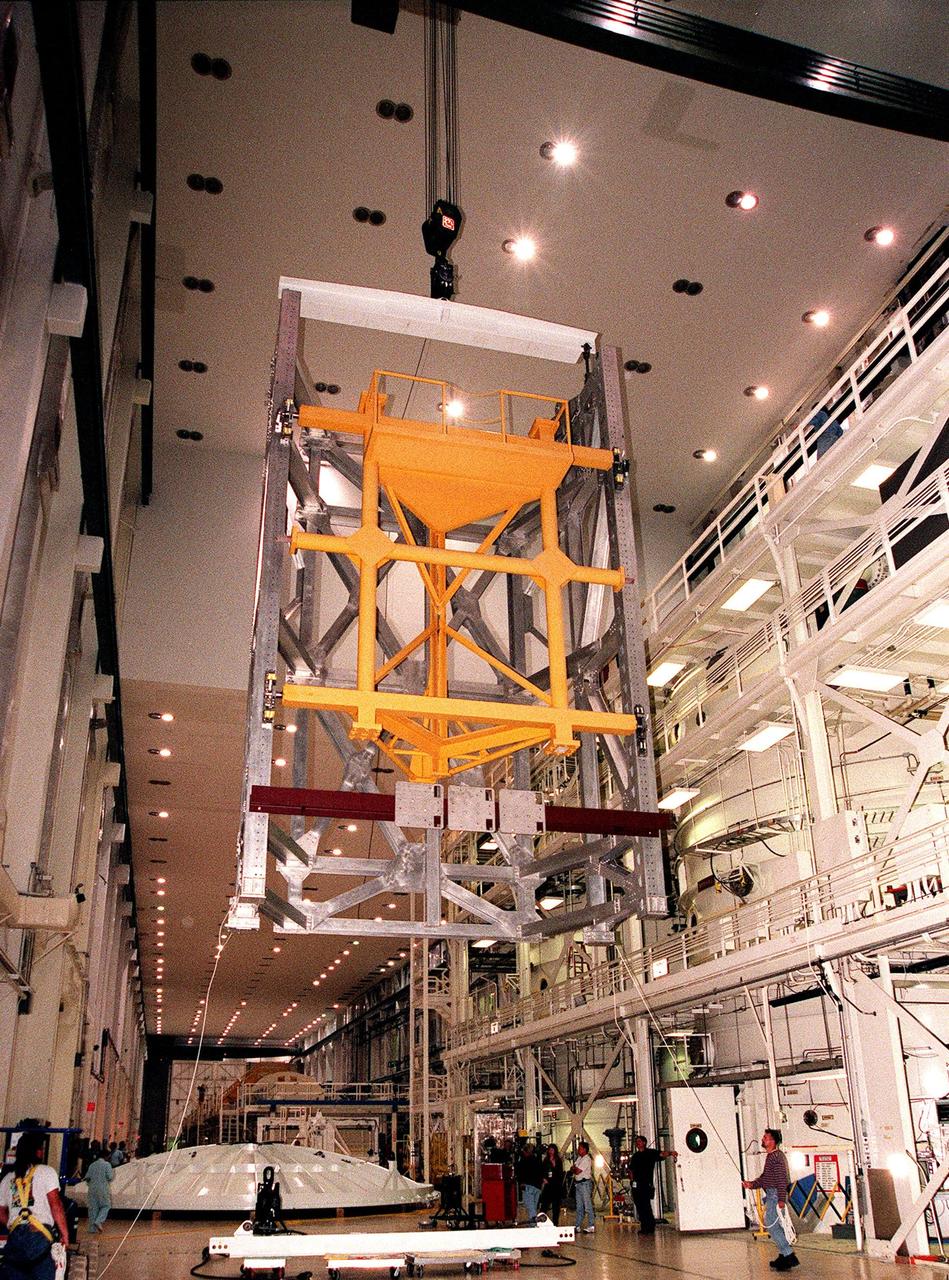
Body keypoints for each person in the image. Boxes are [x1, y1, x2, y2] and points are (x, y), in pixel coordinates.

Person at [0, 1130, 69, 1280]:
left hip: (15, 1239)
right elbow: (55, 1205)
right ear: (38, 1152)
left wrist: (14, 1225)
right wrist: (64, 1234)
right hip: (39, 1237)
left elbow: (1, 1212)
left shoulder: (8, 1178)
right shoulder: (47, 1172)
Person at [742, 1129, 798, 1271]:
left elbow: (781, 1179)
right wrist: (752, 1184)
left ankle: (788, 1254)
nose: (763, 1139)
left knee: (771, 1224)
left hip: (775, 1195)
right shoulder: (772, 1157)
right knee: (777, 1225)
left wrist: (781, 1199)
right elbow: (765, 1178)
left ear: (772, 1141)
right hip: (773, 1194)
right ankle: (783, 1255)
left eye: (765, 1137)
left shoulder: (776, 1157)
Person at [629, 1134, 676, 1235]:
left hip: (646, 1184)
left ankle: (649, 1226)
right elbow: (631, 1170)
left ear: (644, 1143)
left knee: (646, 1205)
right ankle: (644, 1226)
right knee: (639, 1206)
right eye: (637, 1142)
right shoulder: (635, 1156)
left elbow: (662, 1154)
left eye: (639, 1141)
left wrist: (671, 1153)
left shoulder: (650, 1153)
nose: (638, 1143)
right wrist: (632, 1181)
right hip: (636, 1185)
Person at [84, 1150, 114, 1234]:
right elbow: (110, 1177)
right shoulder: (107, 1165)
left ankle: (92, 1229)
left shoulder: (92, 1165)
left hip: (92, 1189)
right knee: (106, 1206)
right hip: (103, 1189)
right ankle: (99, 1220)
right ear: (106, 1156)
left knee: (93, 1208)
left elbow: (87, 1177)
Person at [515, 1143, 544, 1224]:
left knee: (531, 1209)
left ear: (525, 1151)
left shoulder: (523, 1160)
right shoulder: (537, 1160)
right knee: (534, 1207)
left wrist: (521, 1183)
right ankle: (533, 1225)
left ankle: (533, 1226)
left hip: (528, 1186)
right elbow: (541, 1172)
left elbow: (519, 1173)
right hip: (537, 1187)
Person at [571, 1141, 595, 1233]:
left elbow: (577, 1171)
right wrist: (574, 1169)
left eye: (580, 1148)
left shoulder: (586, 1159)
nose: (578, 1150)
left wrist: (574, 1169)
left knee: (587, 1206)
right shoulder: (579, 1158)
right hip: (578, 1184)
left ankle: (591, 1225)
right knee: (579, 1206)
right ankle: (577, 1225)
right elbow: (572, 1168)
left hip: (585, 1184)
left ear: (585, 1149)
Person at [538, 1145, 564, 1225]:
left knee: (556, 1207)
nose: (551, 1152)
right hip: (548, 1185)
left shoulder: (558, 1161)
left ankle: (555, 1223)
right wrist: (543, 1178)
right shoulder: (546, 1161)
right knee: (544, 1205)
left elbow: (560, 1173)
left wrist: (554, 1164)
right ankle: (541, 1222)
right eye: (549, 1150)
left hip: (556, 1186)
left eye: (552, 1150)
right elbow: (542, 1171)